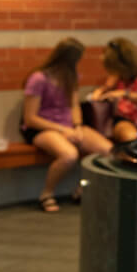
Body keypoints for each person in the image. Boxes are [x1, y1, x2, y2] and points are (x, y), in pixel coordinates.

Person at [21, 38, 113, 212]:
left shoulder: (72, 76)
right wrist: (62, 129)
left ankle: (83, 189)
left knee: (107, 150)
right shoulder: (39, 79)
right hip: (42, 127)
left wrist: (77, 127)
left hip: (68, 125)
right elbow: (30, 118)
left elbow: (74, 105)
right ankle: (47, 193)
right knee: (69, 155)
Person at [89, 38, 137, 142]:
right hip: (125, 118)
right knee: (130, 136)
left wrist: (125, 94)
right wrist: (99, 93)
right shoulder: (119, 71)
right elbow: (107, 87)